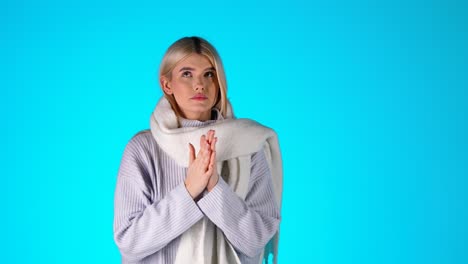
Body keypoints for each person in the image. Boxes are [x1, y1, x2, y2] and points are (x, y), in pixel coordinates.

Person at [113, 36, 283, 264]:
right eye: (187, 74)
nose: (200, 84)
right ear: (167, 84)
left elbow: (256, 240)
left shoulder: (249, 146)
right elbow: (130, 241)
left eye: (209, 74)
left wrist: (215, 189)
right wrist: (189, 190)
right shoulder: (143, 149)